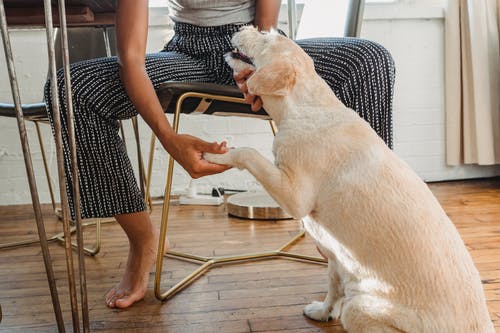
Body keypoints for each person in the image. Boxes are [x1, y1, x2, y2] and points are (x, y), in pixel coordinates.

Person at [45, 0, 395, 309]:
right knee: (71, 89)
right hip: (186, 52)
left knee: (371, 61)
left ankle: (358, 234)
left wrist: (257, 63)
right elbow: (132, 60)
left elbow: (263, 27)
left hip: (256, 41)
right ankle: (143, 240)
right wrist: (168, 138)